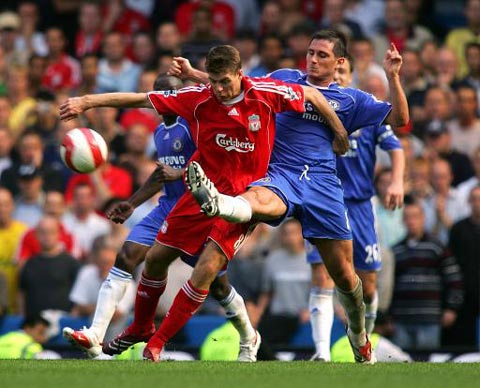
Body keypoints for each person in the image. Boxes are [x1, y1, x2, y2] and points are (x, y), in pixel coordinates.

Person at [59, 45, 348, 362]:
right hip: (198, 192)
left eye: (225, 81)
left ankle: (157, 342)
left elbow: (314, 96)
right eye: (214, 82)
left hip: (242, 200)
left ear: (240, 74)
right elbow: (140, 98)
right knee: (155, 259)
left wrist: (339, 133)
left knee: (207, 271)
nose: (220, 90)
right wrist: (86, 102)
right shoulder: (198, 98)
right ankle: (141, 327)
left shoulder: (266, 92)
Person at [171, 30, 409, 363]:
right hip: (281, 175)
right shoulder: (284, 79)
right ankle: (219, 202)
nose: (312, 59)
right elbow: (237, 86)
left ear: (340, 62)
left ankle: (359, 337)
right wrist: (195, 75)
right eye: (310, 52)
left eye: (322, 55)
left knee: (344, 277)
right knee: (257, 200)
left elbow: (400, 119)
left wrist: (392, 76)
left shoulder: (351, 100)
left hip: (324, 186)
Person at [303, 54, 404, 361]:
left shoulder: (363, 109)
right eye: (338, 72)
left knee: (367, 285)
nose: (340, 76)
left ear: (348, 74)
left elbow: (396, 146)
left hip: (360, 206)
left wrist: (397, 181)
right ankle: (321, 353)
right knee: (322, 275)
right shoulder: (316, 110)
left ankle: (364, 347)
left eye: (345, 71)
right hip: (324, 200)